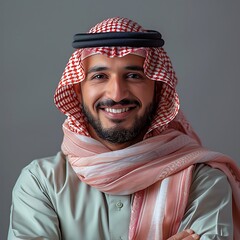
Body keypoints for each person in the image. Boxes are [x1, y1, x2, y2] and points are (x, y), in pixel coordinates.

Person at [8, 17, 240, 240]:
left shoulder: (202, 181)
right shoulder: (41, 183)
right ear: (78, 90)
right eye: (100, 76)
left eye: (133, 76)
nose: (117, 94)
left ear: (157, 90)